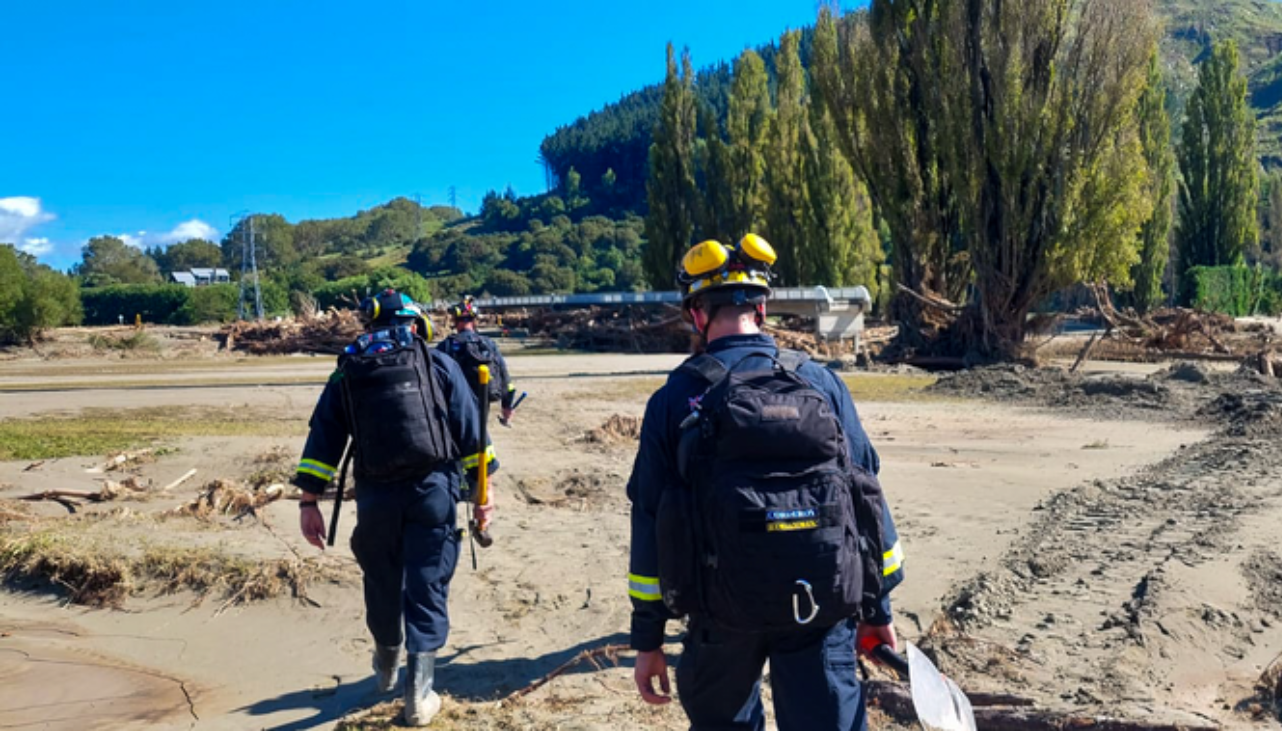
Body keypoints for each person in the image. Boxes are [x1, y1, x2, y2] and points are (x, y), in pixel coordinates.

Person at [626, 234, 905, 731]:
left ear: (697, 313)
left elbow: (650, 518)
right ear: (763, 308)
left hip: (720, 616)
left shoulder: (674, 399)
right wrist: (876, 609)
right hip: (819, 608)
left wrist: (648, 639)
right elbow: (866, 494)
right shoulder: (821, 383)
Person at [293, 289, 498, 727]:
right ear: (414, 323)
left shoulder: (349, 369)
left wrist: (309, 500)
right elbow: (470, 433)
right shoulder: (437, 362)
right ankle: (419, 696)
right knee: (427, 584)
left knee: (382, 579)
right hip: (433, 490)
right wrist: (484, 496)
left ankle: (386, 659)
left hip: (375, 496)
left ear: (370, 325)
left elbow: (324, 436)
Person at [439, 295, 518, 424]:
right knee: (480, 438)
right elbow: (505, 379)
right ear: (474, 320)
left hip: (454, 405)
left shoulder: (446, 346)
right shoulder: (488, 344)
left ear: (454, 320)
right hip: (483, 403)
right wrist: (507, 406)